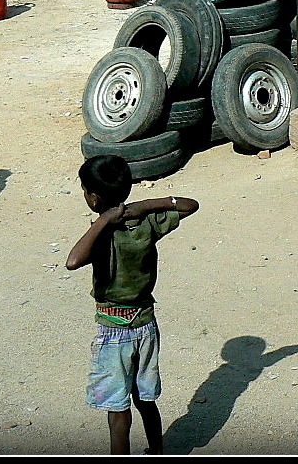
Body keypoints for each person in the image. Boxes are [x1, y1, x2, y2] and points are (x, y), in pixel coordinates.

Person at [67, 154, 199, 456]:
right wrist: (143, 206)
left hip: (113, 331)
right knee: (145, 400)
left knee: (117, 411)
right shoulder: (146, 223)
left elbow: (73, 260)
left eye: (85, 191)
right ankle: (157, 450)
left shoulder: (101, 232)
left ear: (94, 197)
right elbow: (189, 204)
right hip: (146, 326)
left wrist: (104, 220)